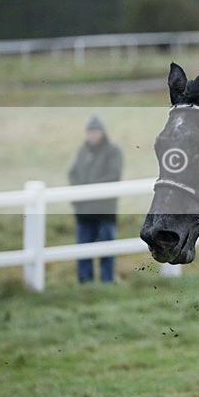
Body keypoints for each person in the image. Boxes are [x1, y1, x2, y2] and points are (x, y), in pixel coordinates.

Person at [68, 115, 123, 283]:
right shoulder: (83, 151)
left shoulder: (113, 151)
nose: (92, 135)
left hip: (104, 211)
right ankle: (86, 283)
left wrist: (88, 191)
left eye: (95, 131)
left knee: (106, 249)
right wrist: (79, 194)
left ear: (102, 132)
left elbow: (113, 176)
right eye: (90, 132)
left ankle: (107, 281)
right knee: (83, 249)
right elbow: (72, 173)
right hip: (84, 212)